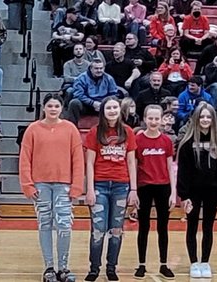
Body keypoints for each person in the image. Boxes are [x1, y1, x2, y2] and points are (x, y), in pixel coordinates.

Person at [18, 94, 84, 282]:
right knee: (44, 225)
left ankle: (63, 267)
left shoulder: (70, 129)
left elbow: (77, 159)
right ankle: (49, 267)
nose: (53, 109)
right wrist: (27, 185)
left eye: (56, 105)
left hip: (64, 185)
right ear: (44, 108)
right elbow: (25, 159)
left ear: (61, 108)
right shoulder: (33, 129)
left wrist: (77, 186)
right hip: (40, 185)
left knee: (64, 226)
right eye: (50, 105)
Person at [81, 97, 137, 282]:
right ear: (103, 111)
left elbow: (131, 162)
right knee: (98, 229)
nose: (112, 110)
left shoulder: (128, 132)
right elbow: (89, 162)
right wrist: (89, 189)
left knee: (116, 229)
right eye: (109, 108)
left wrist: (133, 189)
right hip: (100, 186)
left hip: (121, 186)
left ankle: (111, 267)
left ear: (120, 110)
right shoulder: (95, 132)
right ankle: (94, 268)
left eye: (115, 107)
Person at [174, 102, 217, 279]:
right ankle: (193, 262)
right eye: (202, 117)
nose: (205, 120)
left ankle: (205, 262)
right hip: (193, 192)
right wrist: (184, 195)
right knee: (192, 226)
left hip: (212, 191)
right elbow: (183, 171)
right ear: (196, 119)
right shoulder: (188, 143)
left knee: (208, 227)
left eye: (208, 117)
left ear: (213, 119)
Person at [131, 105, 177, 279]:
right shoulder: (138, 140)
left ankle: (163, 264)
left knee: (162, 227)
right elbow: (134, 166)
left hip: (163, 186)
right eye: (150, 118)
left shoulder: (166, 141)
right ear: (144, 119)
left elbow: (170, 167)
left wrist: (173, 192)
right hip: (144, 187)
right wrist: (133, 189)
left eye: (157, 119)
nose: (153, 122)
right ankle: (141, 265)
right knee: (143, 227)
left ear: (162, 120)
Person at [65, 60, 121, 124]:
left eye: (101, 68)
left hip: (103, 105)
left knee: (119, 102)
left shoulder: (109, 78)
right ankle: (73, 127)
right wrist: (92, 103)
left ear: (104, 68)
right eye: (96, 68)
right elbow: (78, 94)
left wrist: (103, 104)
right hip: (86, 105)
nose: (99, 70)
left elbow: (113, 94)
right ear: (91, 68)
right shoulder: (81, 78)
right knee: (74, 103)